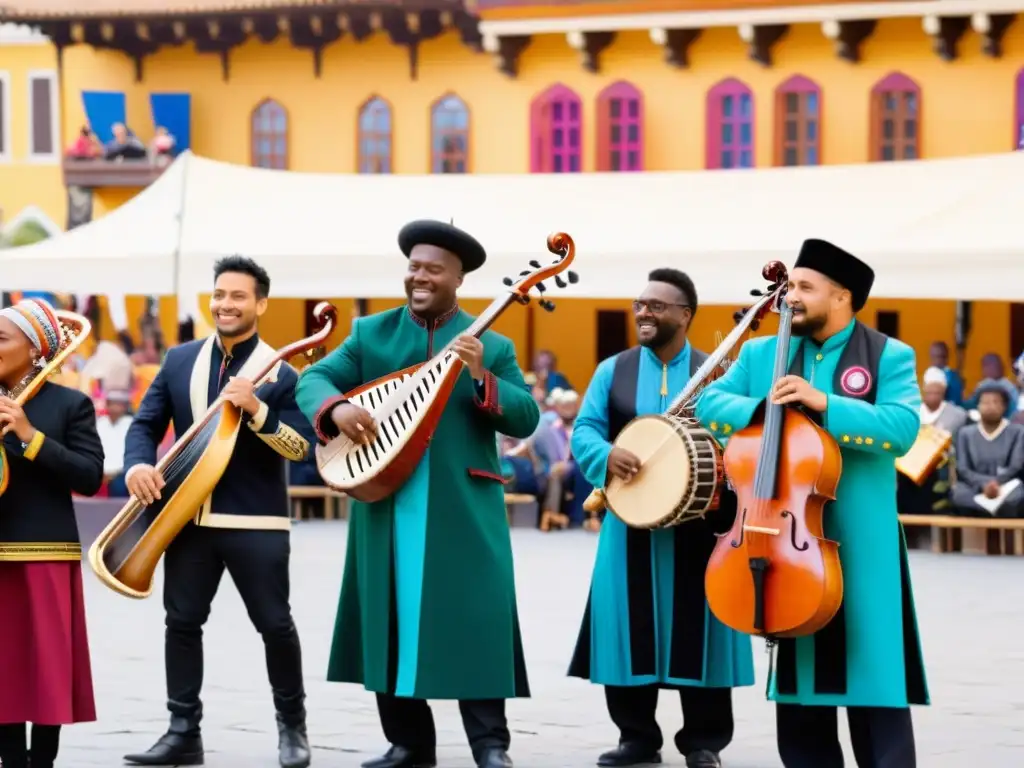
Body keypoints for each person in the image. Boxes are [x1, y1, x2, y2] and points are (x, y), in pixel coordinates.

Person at [294, 219, 540, 768]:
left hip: (464, 505)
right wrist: (335, 407)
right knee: (387, 616)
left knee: (477, 618)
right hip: (385, 502)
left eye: (433, 269)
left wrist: (483, 379)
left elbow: (526, 417)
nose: (419, 277)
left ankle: (490, 745)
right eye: (413, 267)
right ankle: (408, 743)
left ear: (457, 279)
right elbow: (312, 381)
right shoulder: (371, 333)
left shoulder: (491, 342)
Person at [695, 239, 929, 768]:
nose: (790, 298)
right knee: (801, 688)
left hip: (863, 543)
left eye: (804, 287)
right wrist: (764, 407)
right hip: (782, 540)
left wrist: (825, 403)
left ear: (842, 296)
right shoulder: (762, 353)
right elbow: (710, 402)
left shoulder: (889, 355)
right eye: (789, 286)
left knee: (872, 677)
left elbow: (902, 427)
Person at [121, 256, 317, 768]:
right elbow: (143, 425)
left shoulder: (283, 369)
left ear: (261, 304)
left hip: (257, 523)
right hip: (186, 520)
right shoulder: (179, 359)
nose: (226, 304)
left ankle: (292, 729)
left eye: (238, 296)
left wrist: (257, 409)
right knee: (180, 623)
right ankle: (182, 731)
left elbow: (301, 449)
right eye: (219, 295)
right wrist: (137, 465)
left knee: (275, 625)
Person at [568, 269, 754, 768]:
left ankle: (704, 742)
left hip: (702, 523)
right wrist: (606, 456)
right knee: (624, 628)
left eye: (657, 305)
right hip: (629, 521)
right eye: (640, 304)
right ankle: (637, 738)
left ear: (685, 315)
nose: (644, 312)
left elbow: (741, 435)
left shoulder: (719, 371)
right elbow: (584, 428)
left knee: (706, 631)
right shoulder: (614, 370)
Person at [0, 298, 105, 768]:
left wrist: (29, 436)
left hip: (44, 552)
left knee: (47, 670)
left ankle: (42, 761)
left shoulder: (71, 404)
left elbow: (88, 476)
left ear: (36, 347)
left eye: (2, 338)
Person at [950, 381, 1024, 519]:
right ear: (978, 405)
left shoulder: (1017, 432)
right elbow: (963, 468)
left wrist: (995, 484)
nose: (991, 406)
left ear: (1005, 406)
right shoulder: (965, 433)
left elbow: (1016, 466)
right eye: (986, 402)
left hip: (1005, 489)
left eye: (996, 402)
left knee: (1018, 494)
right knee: (959, 494)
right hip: (974, 489)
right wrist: (984, 485)